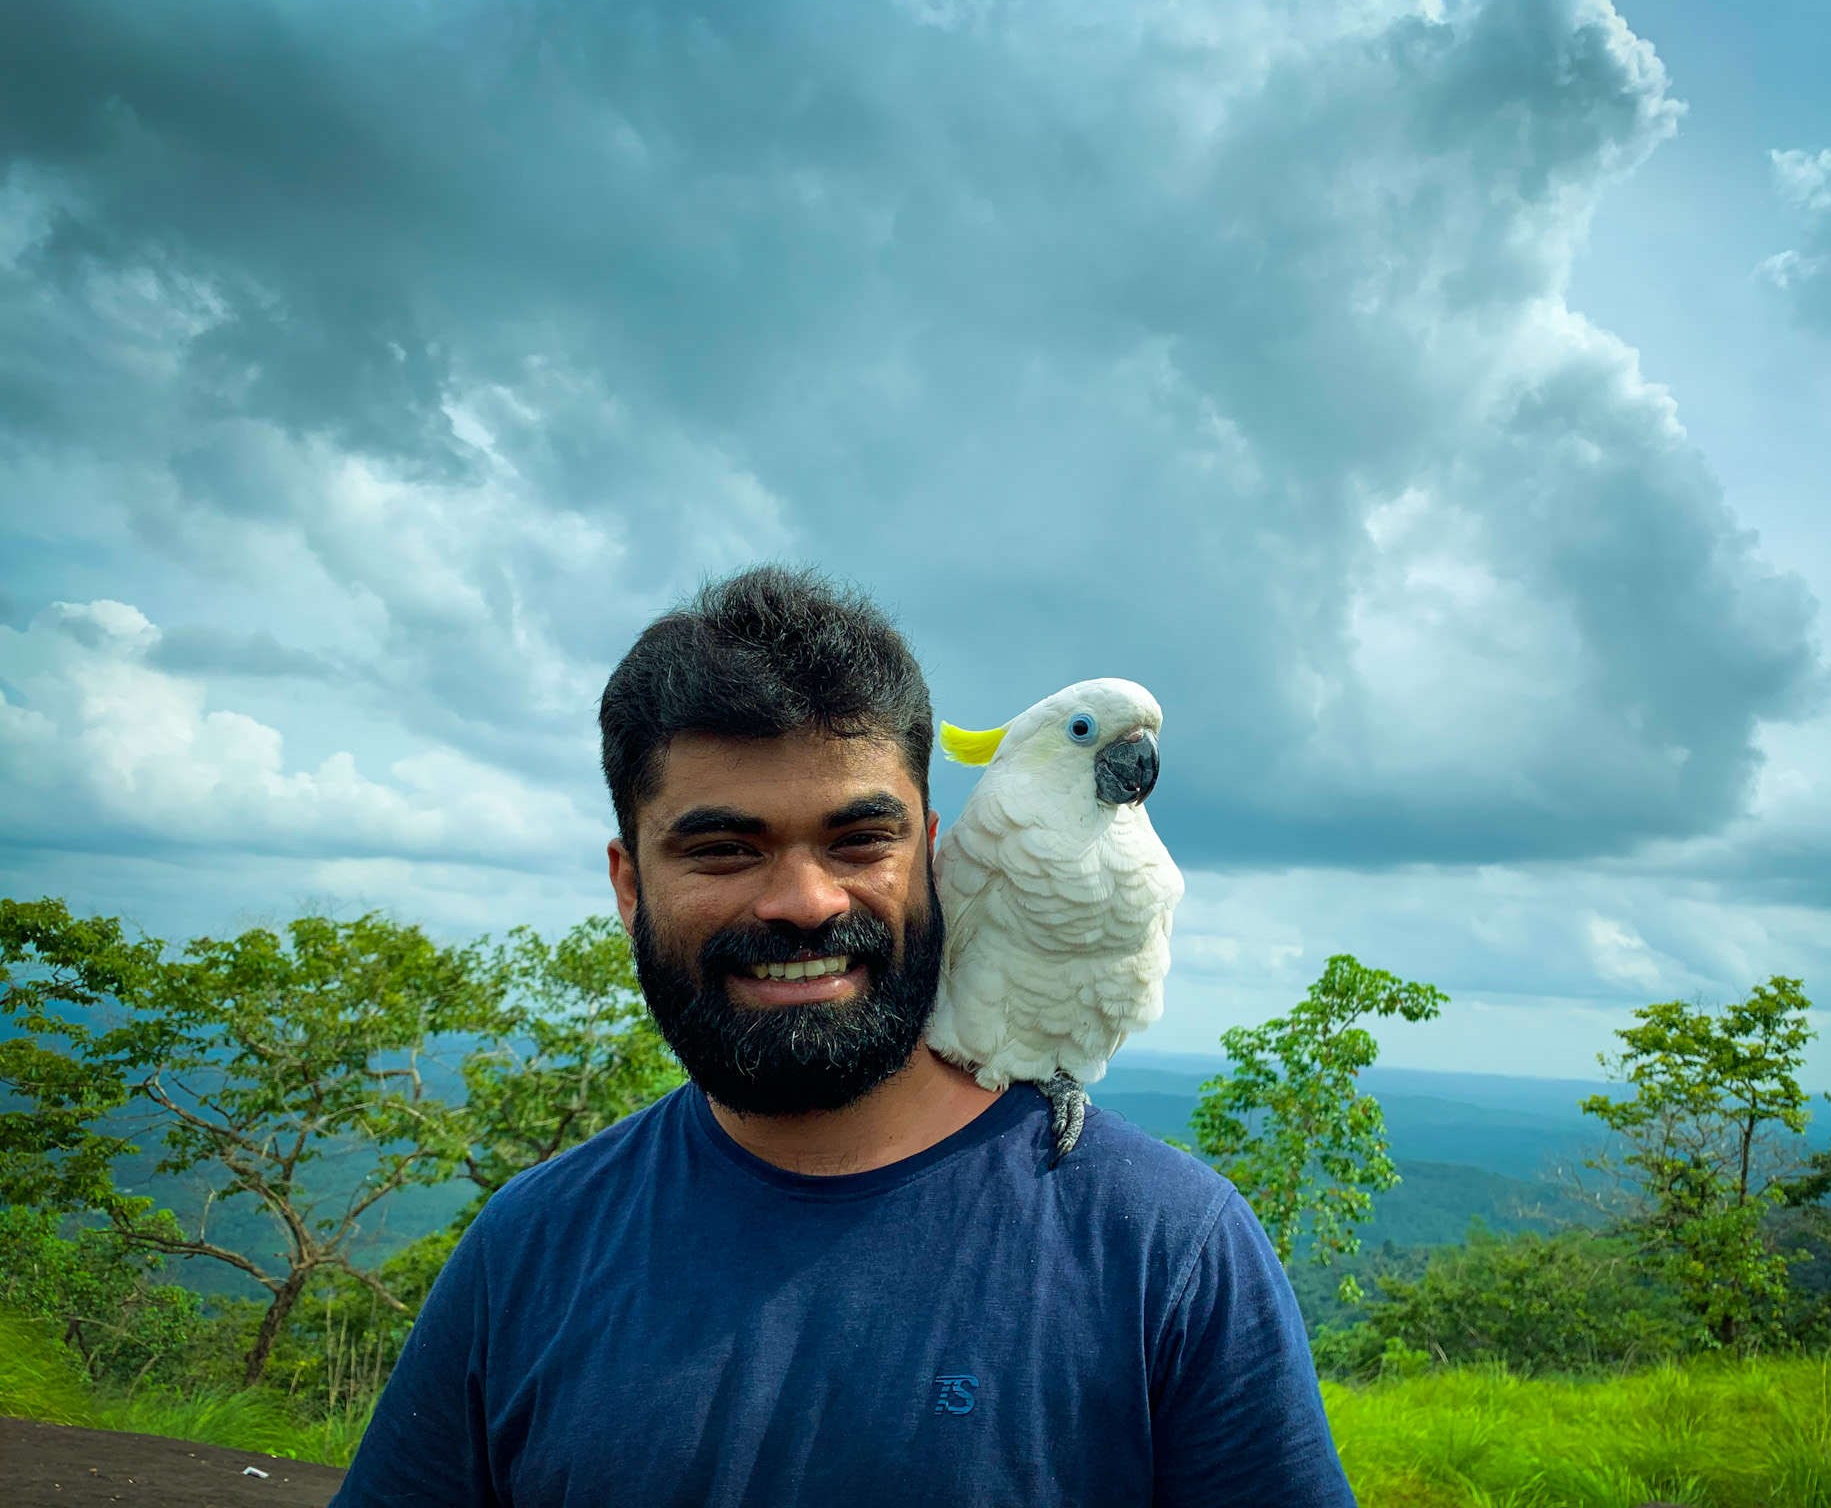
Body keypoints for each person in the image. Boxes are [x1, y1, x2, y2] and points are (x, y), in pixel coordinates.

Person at [330, 565, 1356, 1507]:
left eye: (861, 839)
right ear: (628, 886)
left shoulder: (1171, 1253)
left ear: (934, 857)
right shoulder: (529, 1248)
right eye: (724, 848)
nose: (806, 902)